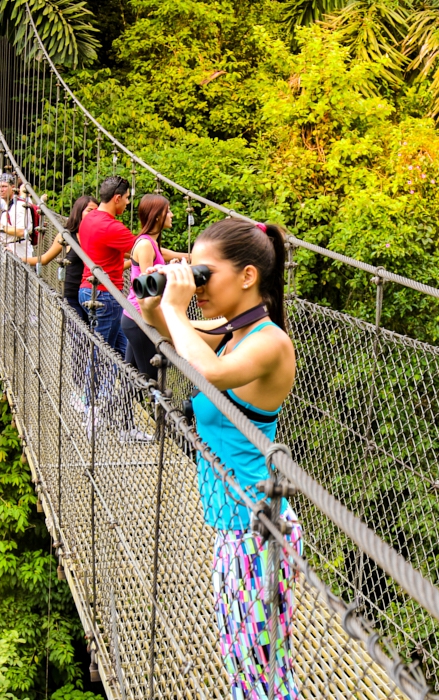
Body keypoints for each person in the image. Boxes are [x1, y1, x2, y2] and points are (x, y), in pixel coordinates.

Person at [141, 219, 301, 699]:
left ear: (248, 276)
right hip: (233, 526)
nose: (197, 282)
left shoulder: (269, 342)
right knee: (246, 665)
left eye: (204, 273)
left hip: (258, 531)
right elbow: (164, 327)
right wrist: (158, 297)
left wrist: (174, 304)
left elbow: (206, 371)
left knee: (260, 676)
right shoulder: (231, 332)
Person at [120, 194, 188, 380]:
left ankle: (111, 409)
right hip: (139, 319)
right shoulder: (145, 245)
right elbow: (148, 288)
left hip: (134, 318)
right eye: (168, 211)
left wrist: (169, 268)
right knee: (150, 380)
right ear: (158, 216)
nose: (172, 215)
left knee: (133, 380)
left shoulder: (151, 242)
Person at [77, 176, 134, 356]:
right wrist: (187, 256)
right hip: (105, 296)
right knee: (100, 358)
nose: (127, 203)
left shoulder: (89, 218)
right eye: (127, 198)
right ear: (117, 198)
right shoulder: (111, 227)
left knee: (122, 351)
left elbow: (119, 249)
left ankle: (126, 385)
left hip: (87, 289)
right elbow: (146, 249)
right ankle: (93, 386)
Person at [22, 195, 98, 324]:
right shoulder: (66, 236)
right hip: (71, 295)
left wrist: (135, 260)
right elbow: (45, 259)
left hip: (92, 296)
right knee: (78, 338)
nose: (94, 214)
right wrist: (20, 258)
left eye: (97, 211)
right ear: (79, 212)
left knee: (95, 338)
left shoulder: (98, 236)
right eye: (90, 210)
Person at [0, 172, 34, 259]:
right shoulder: (6, 205)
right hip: (10, 249)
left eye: (4, 186)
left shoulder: (19, 206)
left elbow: (22, 232)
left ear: (13, 188)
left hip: (20, 251)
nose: (1, 190)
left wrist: (0, 227)